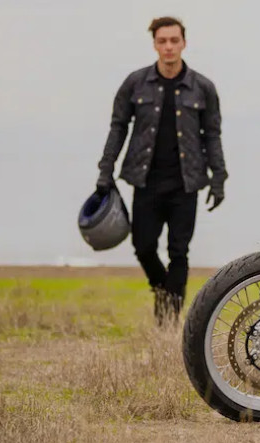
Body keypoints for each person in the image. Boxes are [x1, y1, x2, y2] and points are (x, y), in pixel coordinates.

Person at [95, 16, 227, 324]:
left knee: (179, 252)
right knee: (143, 247)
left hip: (187, 183)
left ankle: (168, 321)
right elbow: (117, 129)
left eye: (174, 40)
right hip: (146, 182)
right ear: (154, 44)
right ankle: (164, 290)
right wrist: (105, 171)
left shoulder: (203, 87)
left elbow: (213, 136)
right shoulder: (135, 83)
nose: (168, 47)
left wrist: (218, 178)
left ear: (184, 43)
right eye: (162, 41)